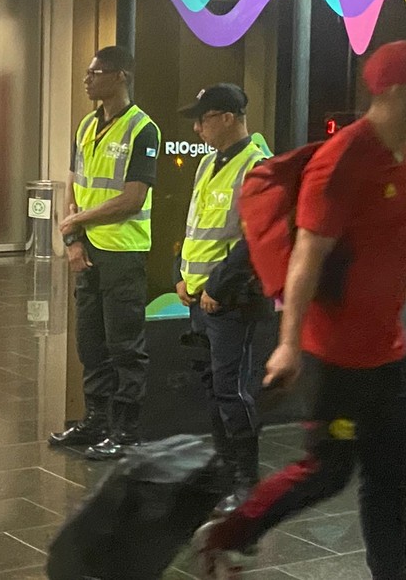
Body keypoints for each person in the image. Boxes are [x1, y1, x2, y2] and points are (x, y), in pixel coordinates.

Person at [195, 41, 406, 580]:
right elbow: (306, 259)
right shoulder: (340, 163)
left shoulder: (405, 154)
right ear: (396, 89)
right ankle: (230, 533)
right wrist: (290, 343)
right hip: (337, 359)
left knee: (390, 479)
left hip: (391, 354)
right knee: (327, 471)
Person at [48, 45, 161, 461]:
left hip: (123, 252)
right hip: (89, 250)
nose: (88, 79)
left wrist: (79, 222)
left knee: (124, 344)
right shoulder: (85, 126)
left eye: (97, 72)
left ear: (121, 76)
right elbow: (74, 185)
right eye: (88, 71)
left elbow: (132, 199)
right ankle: (95, 420)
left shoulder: (143, 130)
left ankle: (125, 430)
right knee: (90, 341)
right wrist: (74, 239)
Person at [174, 83, 272, 515]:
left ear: (228, 118)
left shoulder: (257, 167)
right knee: (213, 388)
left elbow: (256, 241)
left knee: (232, 391)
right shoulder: (210, 164)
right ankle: (224, 471)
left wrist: (217, 287)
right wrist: (184, 277)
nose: (197, 128)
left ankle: (246, 482)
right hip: (200, 299)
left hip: (231, 301)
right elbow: (198, 226)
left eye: (204, 118)